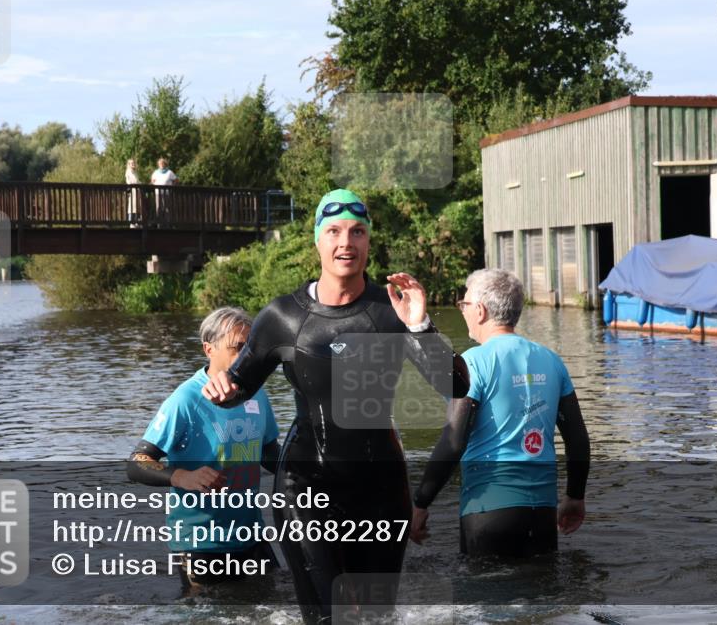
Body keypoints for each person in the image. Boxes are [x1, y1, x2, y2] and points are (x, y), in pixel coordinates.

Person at [201, 188, 470, 624]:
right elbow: (239, 386)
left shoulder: (393, 311)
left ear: (368, 242)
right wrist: (221, 388)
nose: (346, 241)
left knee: (377, 617)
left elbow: (455, 385)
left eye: (357, 232)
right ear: (318, 242)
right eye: (334, 231)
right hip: (305, 486)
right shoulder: (282, 316)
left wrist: (420, 323)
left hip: (381, 492)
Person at [409, 268, 590, 558]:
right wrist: (575, 497)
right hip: (543, 511)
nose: (463, 311)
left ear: (479, 310)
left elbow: (454, 442)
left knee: (484, 596)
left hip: (487, 512)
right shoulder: (551, 360)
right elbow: (577, 439)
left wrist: (420, 502)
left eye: (464, 304)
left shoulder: (475, 362)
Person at [127, 307, 281, 596]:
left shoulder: (256, 393)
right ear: (209, 349)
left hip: (251, 533)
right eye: (238, 347)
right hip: (200, 541)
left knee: (275, 605)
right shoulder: (186, 399)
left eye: (251, 348)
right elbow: (137, 463)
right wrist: (182, 476)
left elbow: (271, 454)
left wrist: (315, 468)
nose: (247, 357)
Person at [150, 157, 177, 225]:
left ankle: (167, 223)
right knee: (158, 208)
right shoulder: (156, 172)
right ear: (158, 165)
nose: (161, 164)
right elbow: (152, 181)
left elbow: (176, 180)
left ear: (165, 164)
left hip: (166, 193)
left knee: (167, 207)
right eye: (160, 163)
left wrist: (171, 186)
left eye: (163, 163)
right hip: (158, 193)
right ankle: (159, 223)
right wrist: (154, 184)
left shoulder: (169, 172)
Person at [125, 159, 141, 226]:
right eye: (131, 163)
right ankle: (131, 222)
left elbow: (137, 181)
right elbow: (129, 181)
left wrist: (141, 184)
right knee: (132, 207)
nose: (133, 164)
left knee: (137, 207)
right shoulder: (129, 172)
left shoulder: (135, 172)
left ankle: (136, 221)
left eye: (134, 163)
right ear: (129, 164)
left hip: (136, 191)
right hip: (132, 191)